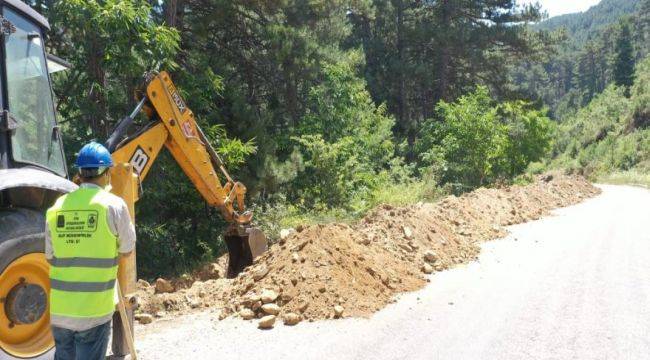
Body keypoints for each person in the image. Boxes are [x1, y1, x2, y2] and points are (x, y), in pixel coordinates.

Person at [45, 142, 136, 360]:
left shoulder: (56, 208)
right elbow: (127, 249)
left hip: (61, 312)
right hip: (93, 312)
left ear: (79, 173)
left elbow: (50, 257)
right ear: (106, 173)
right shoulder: (114, 206)